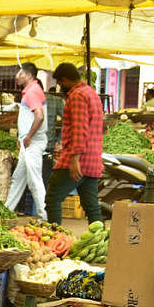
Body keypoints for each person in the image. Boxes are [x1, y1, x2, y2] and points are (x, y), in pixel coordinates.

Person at [44, 63, 104, 226]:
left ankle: (55, 236)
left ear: (64, 80)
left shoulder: (77, 96)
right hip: (93, 160)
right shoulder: (92, 94)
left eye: (60, 83)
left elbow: (79, 128)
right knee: (92, 207)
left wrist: (74, 159)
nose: (60, 87)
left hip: (77, 160)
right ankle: (101, 242)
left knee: (53, 197)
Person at [4, 63, 48, 220]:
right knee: (18, 178)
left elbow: (39, 116)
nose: (17, 76)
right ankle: (6, 211)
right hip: (28, 143)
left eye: (20, 73)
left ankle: (44, 217)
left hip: (32, 143)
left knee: (34, 181)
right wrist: (22, 138)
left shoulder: (33, 92)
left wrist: (28, 136)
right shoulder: (30, 91)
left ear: (29, 76)